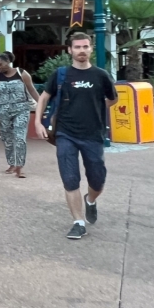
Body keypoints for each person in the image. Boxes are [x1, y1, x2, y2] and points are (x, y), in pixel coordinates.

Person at [35, 32, 117, 240]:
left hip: (93, 134)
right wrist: (37, 122)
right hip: (66, 133)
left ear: (91, 49)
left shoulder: (101, 75)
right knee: (70, 178)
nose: (82, 50)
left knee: (97, 180)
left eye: (85, 46)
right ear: (70, 50)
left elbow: (112, 99)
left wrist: (95, 107)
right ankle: (78, 223)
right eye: (78, 47)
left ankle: (90, 200)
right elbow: (44, 97)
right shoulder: (61, 74)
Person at [0, 52, 40, 178]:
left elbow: (32, 90)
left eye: (0, 64)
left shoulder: (22, 73)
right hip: (3, 111)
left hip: (21, 110)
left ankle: (19, 166)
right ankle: (12, 163)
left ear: (8, 62)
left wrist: (42, 106)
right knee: (7, 139)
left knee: (19, 138)